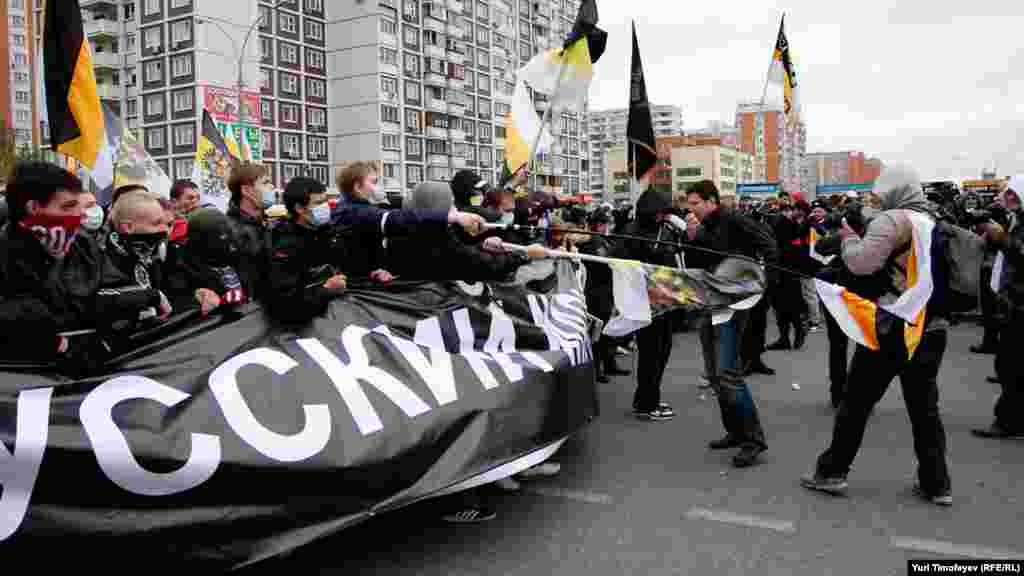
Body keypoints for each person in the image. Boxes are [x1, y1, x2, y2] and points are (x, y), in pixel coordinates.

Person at [801, 165, 953, 506]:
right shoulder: (933, 221)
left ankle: (832, 472)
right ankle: (937, 484)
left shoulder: (893, 221)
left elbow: (861, 264)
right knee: (924, 409)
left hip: (893, 327)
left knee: (856, 403)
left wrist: (849, 240)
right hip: (932, 328)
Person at [684, 180, 776, 467]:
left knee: (728, 373)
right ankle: (735, 431)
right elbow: (698, 261)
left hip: (733, 305)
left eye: (696, 202)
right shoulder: (701, 228)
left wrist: (758, 282)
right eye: (689, 203)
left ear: (712, 201)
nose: (691, 209)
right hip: (709, 302)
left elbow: (769, 245)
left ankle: (753, 440)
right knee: (714, 374)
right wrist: (691, 237)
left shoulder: (735, 219)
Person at [330, 161, 484, 280]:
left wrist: (377, 271)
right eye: (374, 182)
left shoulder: (353, 208)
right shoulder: (355, 212)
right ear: (357, 186)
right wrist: (452, 216)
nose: (378, 187)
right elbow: (396, 219)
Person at [612, 187, 685, 421]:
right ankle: (647, 403)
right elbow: (619, 262)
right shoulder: (631, 231)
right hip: (645, 302)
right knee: (651, 354)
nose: (662, 216)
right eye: (659, 212)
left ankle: (648, 397)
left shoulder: (665, 229)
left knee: (662, 352)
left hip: (666, 300)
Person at [386, 181, 544, 282]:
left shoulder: (402, 234)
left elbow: (461, 256)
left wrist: (482, 246)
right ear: (439, 208)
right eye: (451, 204)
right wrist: (524, 254)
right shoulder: (438, 238)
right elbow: (479, 264)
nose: (456, 209)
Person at [972, 175, 1024, 439]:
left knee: (1011, 365)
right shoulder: (1016, 220)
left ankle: (1008, 422)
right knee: (1009, 364)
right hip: (1013, 302)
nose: (1009, 199)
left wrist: (1002, 238)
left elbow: (1019, 254)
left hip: (1020, 305)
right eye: (1009, 194)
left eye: (1015, 194)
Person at [265, 177, 348, 322]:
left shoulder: (329, 233)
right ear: (299, 209)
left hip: (338, 319)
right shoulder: (285, 244)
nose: (325, 207)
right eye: (318, 203)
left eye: (325, 201)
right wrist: (326, 290)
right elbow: (284, 301)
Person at [103, 191, 174, 329]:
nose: (164, 230)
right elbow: (96, 302)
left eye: (167, 224)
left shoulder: (146, 257)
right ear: (127, 227)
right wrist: (149, 297)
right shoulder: (102, 260)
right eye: (157, 223)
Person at [577, 208, 630, 383]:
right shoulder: (593, 242)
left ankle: (609, 363)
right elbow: (604, 263)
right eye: (607, 223)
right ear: (600, 225)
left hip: (605, 290)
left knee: (607, 331)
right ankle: (597, 368)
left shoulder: (601, 240)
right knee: (598, 333)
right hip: (597, 291)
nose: (609, 226)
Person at [165, 208, 251, 316]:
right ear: (201, 243)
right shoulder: (183, 270)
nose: (231, 247)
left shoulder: (240, 256)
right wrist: (198, 299)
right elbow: (179, 303)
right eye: (221, 240)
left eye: (229, 236)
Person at [226, 162, 273, 299]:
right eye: (265, 183)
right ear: (246, 190)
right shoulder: (232, 230)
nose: (272, 187)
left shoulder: (267, 223)